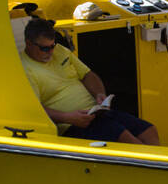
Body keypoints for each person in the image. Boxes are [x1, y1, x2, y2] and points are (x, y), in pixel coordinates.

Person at [20, 18, 160, 145]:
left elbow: (87, 74)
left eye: (52, 46)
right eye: (45, 48)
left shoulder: (60, 51)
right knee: (129, 140)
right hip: (72, 126)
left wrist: (99, 94)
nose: (50, 52)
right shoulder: (24, 69)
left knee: (149, 130)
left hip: (96, 113)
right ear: (28, 43)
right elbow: (34, 109)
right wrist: (67, 118)